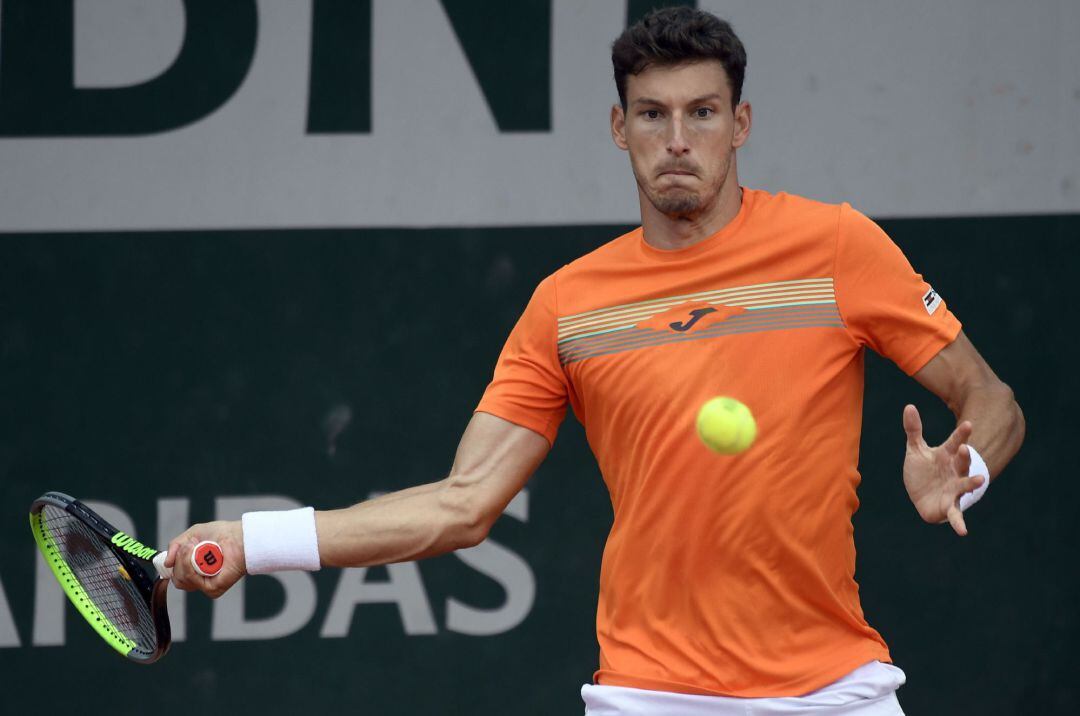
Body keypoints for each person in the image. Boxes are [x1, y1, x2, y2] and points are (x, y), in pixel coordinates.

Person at [166, 7, 1025, 714]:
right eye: (653, 114)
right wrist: (255, 541)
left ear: (741, 123)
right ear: (621, 128)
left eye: (703, 112)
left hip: (837, 689)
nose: (678, 139)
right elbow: (462, 506)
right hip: (648, 696)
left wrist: (969, 465)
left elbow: (991, 400)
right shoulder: (569, 305)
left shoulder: (836, 247)